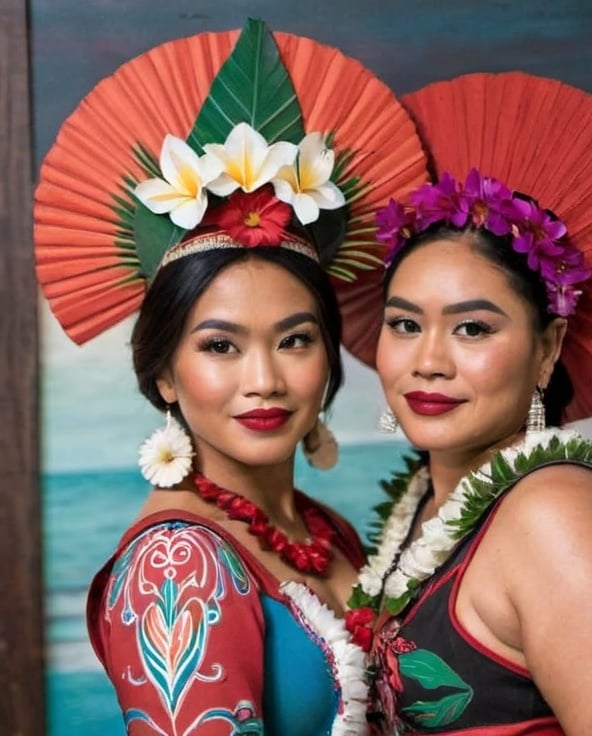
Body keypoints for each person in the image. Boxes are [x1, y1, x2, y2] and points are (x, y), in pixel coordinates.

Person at [33, 18, 427, 736]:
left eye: (295, 340)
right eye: (220, 346)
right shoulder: (173, 563)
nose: (265, 379)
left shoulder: (324, 532)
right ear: (164, 377)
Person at [348, 72, 592, 735]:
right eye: (405, 324)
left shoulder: (556, 515)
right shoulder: (425, 502)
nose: (429, 359)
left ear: (547, 347)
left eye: (473, 328)